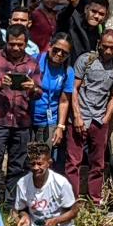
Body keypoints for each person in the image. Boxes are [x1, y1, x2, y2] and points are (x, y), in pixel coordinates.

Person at [0, 25, 42, 204]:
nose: (16, 48)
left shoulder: (32, 63)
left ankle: (10, 203)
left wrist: (32, 88)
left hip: (22, 122)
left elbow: (39, 92)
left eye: (20, 45)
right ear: (7, 42)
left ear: (26, 44)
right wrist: (0, 84)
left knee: (17, 166)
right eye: (12, 44)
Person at [67, 29, 113, 204]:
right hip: (81, 116)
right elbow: (73, 88)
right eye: (105, 46)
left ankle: (95, 200)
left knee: (98, 164)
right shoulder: (86, 60)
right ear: (99, 43)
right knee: (73, 161)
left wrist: (107, 117)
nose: (107, 51)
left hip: (99, 120)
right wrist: (76, 116)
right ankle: (70, 200)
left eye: (112, 48)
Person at [15, 142, 83, 226]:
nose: (36, 168)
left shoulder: (60, 183)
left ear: (49, 162)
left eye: (40, 164)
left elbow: (74, 211)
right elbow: (21, 208)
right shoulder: (22, 183)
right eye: (33, 164)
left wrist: (56, 221)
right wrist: (25, 217)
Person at [31, 32, 76, 170]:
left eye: (64, 53)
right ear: (49, 46)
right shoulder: (34, 61)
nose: (59, 54)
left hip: (48, 121)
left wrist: (60, 127)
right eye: (56, 50)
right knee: (26, 160)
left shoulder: (67, 71)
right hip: (27, 118)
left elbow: (64, 101)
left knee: (41, 161)